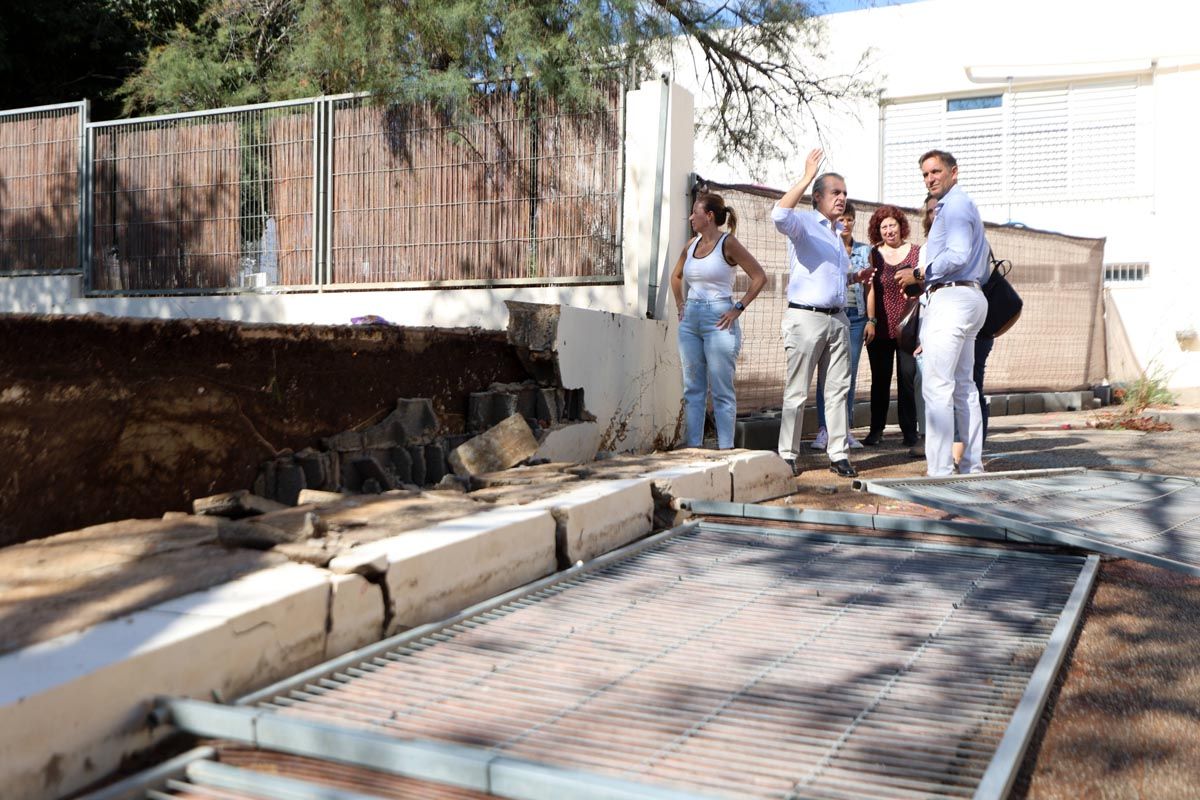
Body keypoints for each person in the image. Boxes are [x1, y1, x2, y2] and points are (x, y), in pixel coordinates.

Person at [771, 148, 872, 478]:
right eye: (835, 193)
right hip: (806, 318)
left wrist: (855, 277)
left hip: (838, 319)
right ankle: (787, 454)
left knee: (838, 391)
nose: (842, 198)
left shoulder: (835, 232)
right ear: (817, 197)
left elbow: (833, 274)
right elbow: (778, 216)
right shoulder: (803, 223)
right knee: (797, 391)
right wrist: (806, 176)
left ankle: (838, 453)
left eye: (844, 193)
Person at [897, 150, 989, 476]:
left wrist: (920, 274)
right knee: (963, 387)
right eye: (925, 174)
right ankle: (971, 466)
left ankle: (940, 472)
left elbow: (959, 254)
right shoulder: (958, 206)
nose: (930, 178)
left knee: (938, 388)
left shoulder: (955, 205)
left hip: (953, 299)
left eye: (935, 171)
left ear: (954, 171)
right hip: (967, 296)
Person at [670, 192, 767, 449]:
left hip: (719, 319)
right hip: (690, 321)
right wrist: (681, 304)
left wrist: (738, 308)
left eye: (695, 212)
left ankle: (726, 450)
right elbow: (676, 277)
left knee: (722, 389)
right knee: (693, 389)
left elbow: (759, 277)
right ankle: (694, 448)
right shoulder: (691, 245)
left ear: (709, 216)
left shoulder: (728, 243)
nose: (691, 217)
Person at [811, 202, 871, 451]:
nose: (845, 224)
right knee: (825, 375)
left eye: (850, 220)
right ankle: (824, 429)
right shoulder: (826, 245)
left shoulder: (864, 251)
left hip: (856, 317)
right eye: (841, 220)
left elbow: (869, 286)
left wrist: (871, 319)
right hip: (831, 313)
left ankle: (844, 430)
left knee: (849, 374)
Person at [861, 204, 919, 448]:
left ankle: (910, 431)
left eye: (892, 225)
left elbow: (924, 286)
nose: (888, 230)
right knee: (880, 380)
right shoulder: (873, 253)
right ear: (878, 230)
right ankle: (876, 430)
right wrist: (871, 321)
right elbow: (869, 288)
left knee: (907, 378)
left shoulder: (916, 252)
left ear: (900, 226)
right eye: (883, 227)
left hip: (908, 326)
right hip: (881, 327)